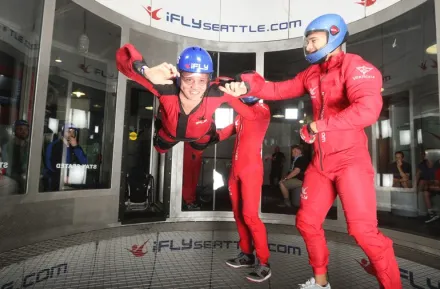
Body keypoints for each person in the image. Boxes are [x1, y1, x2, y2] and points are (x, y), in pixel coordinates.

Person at [219, 14, 402, 289]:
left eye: (314, 40)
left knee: (362, 231)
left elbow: (368, 110)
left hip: (350, 161)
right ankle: (320, 283)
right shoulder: (313, 74)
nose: (309, 46)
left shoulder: (356, 68)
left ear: (334, 36)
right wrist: (247, 85)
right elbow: (278, 89)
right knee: (306, 222)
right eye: (307, 41)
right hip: (321, 164)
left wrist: (319, 125)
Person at [116, 44, 234, 210]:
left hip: (200, 136)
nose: (194, 88)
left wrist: (244, 87)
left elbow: (265, 90)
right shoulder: (167, 89)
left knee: (202, 148)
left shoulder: (216, 92)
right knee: (161, 148)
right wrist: (145, 71)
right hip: (169, 133)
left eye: (201, 80)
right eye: (188, 80)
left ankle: (189, 199)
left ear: (209, 81)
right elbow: (123, 60)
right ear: (179, 78)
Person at [216, 96, 271, 283]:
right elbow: (224, 132)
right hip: (235, 171)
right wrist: (201, 135)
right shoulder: (241, 116)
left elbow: (249, 113)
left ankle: (264, 263)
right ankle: (247, 255)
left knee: (250, 216)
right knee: (238, 215)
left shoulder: (262, 110)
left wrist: (227, 95)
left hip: (251, 170)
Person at [43, 123, 87, 191]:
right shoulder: (53, 146)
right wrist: (62, 176)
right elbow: (49, 165)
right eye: (69, 131)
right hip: (56, 182)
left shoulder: (76, 147)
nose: (71, 134)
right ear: (63, 132)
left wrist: (75, 147)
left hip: (74, 182)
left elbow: (84, 163)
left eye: (73, 132)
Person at [2, 120, 30, 193]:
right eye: (20, 129)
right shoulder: (7, 146)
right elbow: (7, 166)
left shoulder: (30, 146)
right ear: (15, 130)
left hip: (27, 175)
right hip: (13, 176)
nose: (23, 132)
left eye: (26, 129)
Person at [416, 150, 440, 223]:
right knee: (426, 192)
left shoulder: (437, 166)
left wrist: (429, 186)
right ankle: (431, 214)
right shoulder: (422, 165)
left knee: (427, 188)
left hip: (437, 186)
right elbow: (435, 181)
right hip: (435, 185)